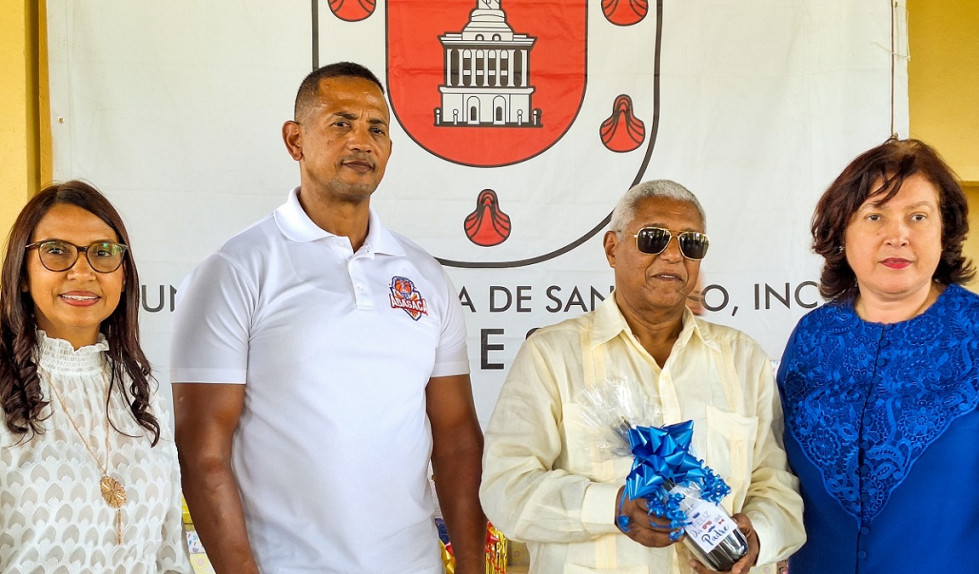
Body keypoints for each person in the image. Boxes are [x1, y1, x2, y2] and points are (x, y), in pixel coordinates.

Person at [170, 61, 485, 573]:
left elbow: (456, 439)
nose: (362, 141)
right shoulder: (235, 270)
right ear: (295, 140)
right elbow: (204, 455)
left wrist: (472, 568)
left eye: (376, 128)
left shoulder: (425, 276)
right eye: (341, 123)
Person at [480, 180, 805, 574]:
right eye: (654, 239)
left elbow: (777, 485)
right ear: (612, 249)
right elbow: (505, 489)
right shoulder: (551, 355)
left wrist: (756, 539)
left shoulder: (743, 359)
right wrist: (614, 507)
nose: (672, 256)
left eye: (691, 243)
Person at [777, 138, 978, 573]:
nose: (898, 235)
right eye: (874, 216)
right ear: (842, 232)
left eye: (918, 217)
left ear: (944, 231)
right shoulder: (813, 336)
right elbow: (773, 466)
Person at [0, 180, 191, 573]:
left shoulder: (140, 391)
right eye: (57, 252)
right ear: (22, 273)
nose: (82, 271)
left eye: (103, 253)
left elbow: (169, 550)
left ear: (123, 275)